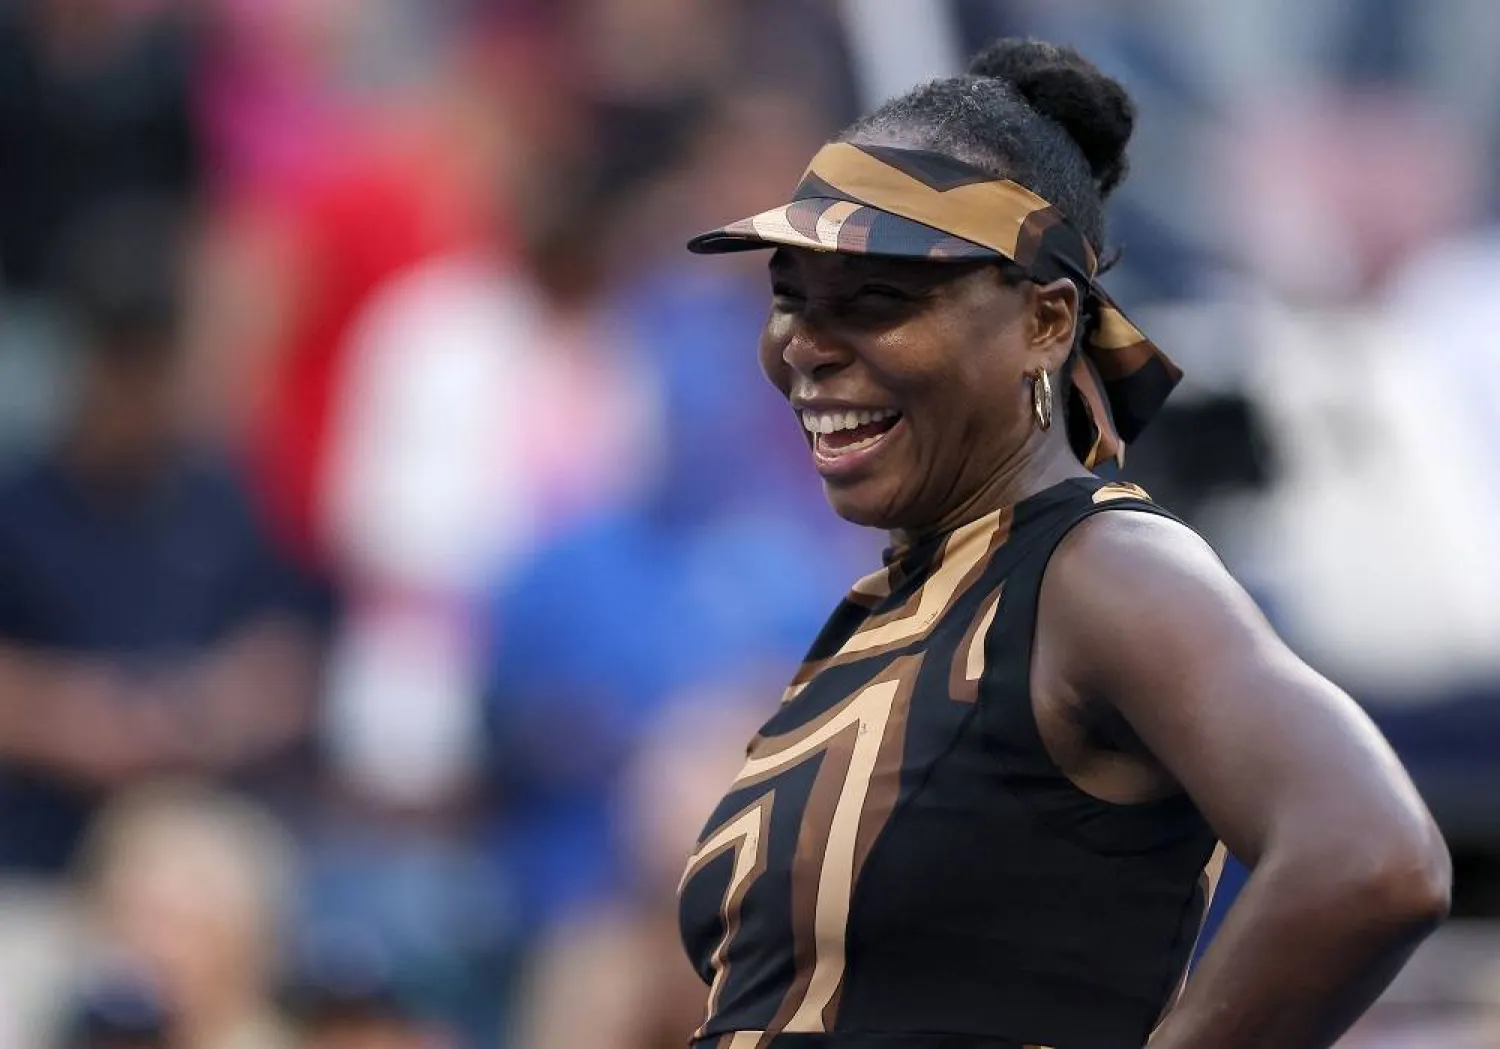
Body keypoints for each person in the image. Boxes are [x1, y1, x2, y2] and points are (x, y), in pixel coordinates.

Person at [676, 38, 1450, 1049]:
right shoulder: (904, 602)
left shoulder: (1104, 569)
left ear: (1046, 321)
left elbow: (1372, 857)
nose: (811, 348)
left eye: (875, 301)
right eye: (793, 299)